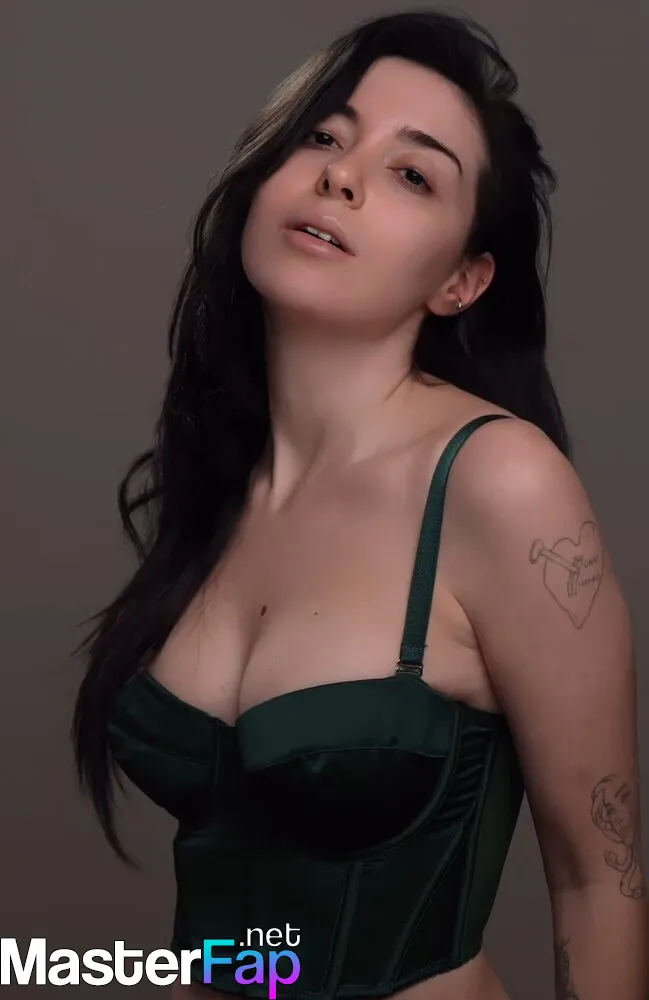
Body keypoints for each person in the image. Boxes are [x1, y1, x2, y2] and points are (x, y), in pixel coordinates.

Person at [71, 9, 647, 1000]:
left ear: (461, 280)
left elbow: (601, 885)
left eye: (412, 174)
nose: (340, 175)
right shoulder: (225, 482)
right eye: (322, 136)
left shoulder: (499, 482)